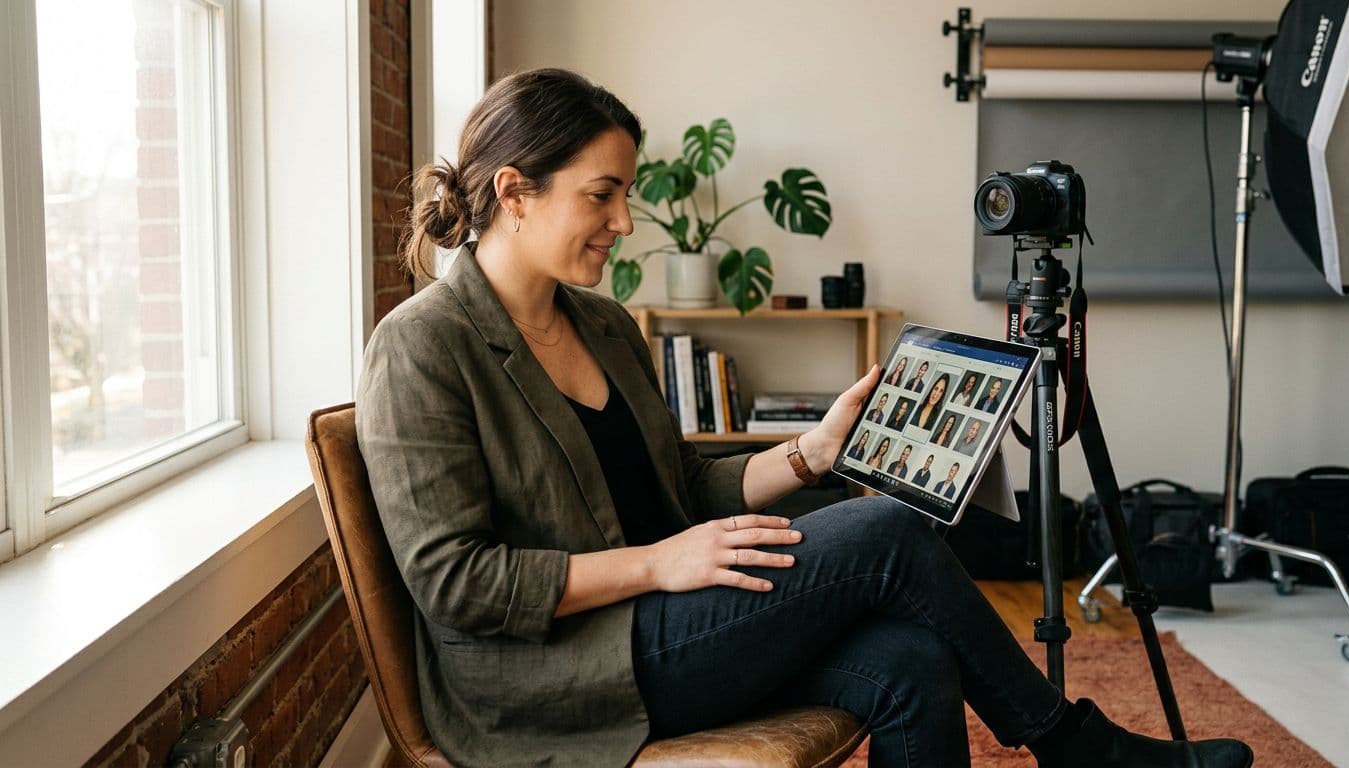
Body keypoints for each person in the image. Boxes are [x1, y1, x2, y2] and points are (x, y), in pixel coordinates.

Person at [355, 68, 1252, 768]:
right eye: (603, 194)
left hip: (665, 621)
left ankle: (1074, 750)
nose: (626, 222)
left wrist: (809, 452)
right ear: (515, 191)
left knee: (910, 661)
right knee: (891, 530)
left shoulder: (600, 323)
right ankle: (1073, 746)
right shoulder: (423, 347)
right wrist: (659, 564)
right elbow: (455, 583)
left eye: (627, 194)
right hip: (555, 676)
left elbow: (680, 485)